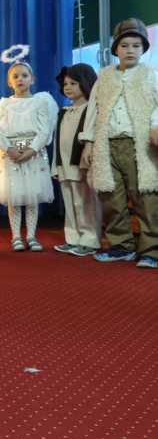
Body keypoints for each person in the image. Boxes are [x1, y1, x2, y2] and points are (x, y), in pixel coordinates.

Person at [80, 18, 158, 268]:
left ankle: (151, 250)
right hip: (107, 145)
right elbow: (94, 110)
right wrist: (89, 143)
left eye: (136, 45)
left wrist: (155, 126)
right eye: (124, 46)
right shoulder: (104, 77)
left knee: (146, 197)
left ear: (143, 48)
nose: (130, 50)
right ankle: (121, 245)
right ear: (115, 49)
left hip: (140, 145)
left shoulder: (151, 75)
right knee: (111, 198)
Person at [0, 60, 57, 251]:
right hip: (10, 154)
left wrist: (31, 150)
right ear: (9, 82)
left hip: (33, 154)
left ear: (32, 79)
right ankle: (16, 236)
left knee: (31, 197)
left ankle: (31, 236)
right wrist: (9, 149)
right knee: (14, 196)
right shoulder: (4, 105)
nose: (20, 79)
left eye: (24, 75)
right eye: (15, 76)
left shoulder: (40, 102)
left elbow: (44, 130)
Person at [51, 63, 100, 256]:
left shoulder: (91, 110)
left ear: (86, 83)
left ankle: (90, 240)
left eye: (73, 83)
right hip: (64, 166)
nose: (68, 87)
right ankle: (72, 238)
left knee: (85, 203)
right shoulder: (64, 111)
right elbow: (57, 140)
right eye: (65, 84)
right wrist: (55, 166)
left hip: (81, 165)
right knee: (70, 203)